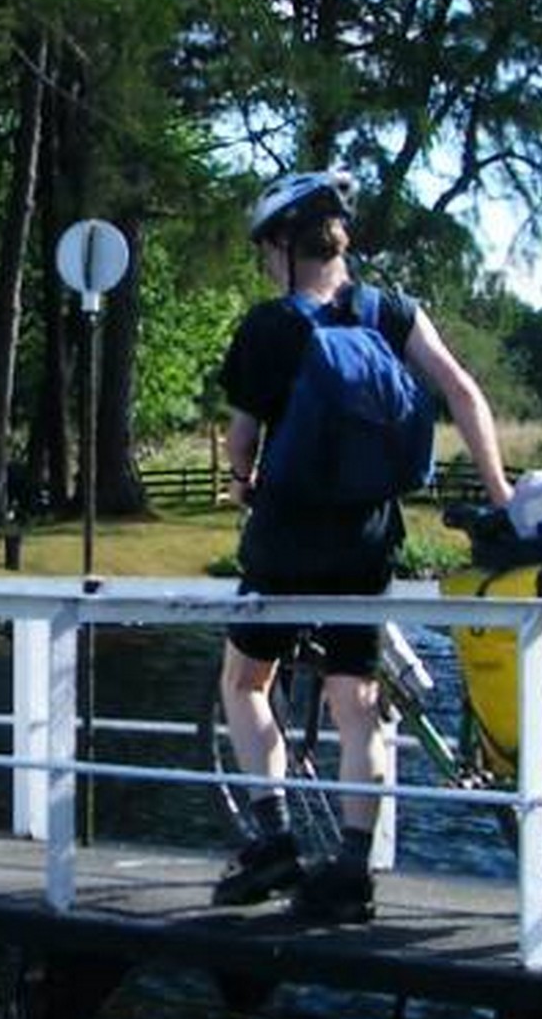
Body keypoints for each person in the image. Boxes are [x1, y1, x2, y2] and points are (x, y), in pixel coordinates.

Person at [214, 168, 514, 923]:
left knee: (247, 683)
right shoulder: (392, 313)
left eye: (264, 249)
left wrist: (243, 480)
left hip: (286, 539)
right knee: (357, 702)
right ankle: (352, 866)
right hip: (369, 537)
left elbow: (243, 439)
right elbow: (463, 392)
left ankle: (275, 836)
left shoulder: (270, 327)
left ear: (284, 245)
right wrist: (499, 493)